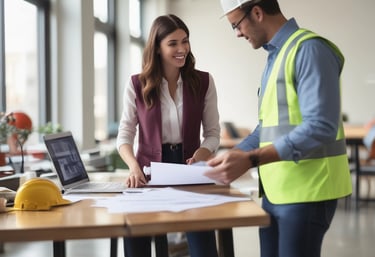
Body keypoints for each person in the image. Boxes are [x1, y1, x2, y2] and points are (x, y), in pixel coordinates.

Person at [205, 1, 352, 257]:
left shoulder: (309, 50)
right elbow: (267, 129)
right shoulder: (276, 57)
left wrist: (250, 159)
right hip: (276, 191)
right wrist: (231, 157)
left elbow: (321, 126)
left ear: (258, 13)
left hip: (308, 191)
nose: (238, 33)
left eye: (236, 25)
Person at [116, 14, 220, 257]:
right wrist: (133, 167)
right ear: (158, 48)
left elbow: (213, 133)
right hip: (147, 171)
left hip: (189, 169)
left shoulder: (203, 81)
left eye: (185, 41)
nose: (182, 48)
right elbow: (125, 134)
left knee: (203, 245)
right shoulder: (136, 85)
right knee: (137, 243)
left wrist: (202, 154)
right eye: (173, 43)